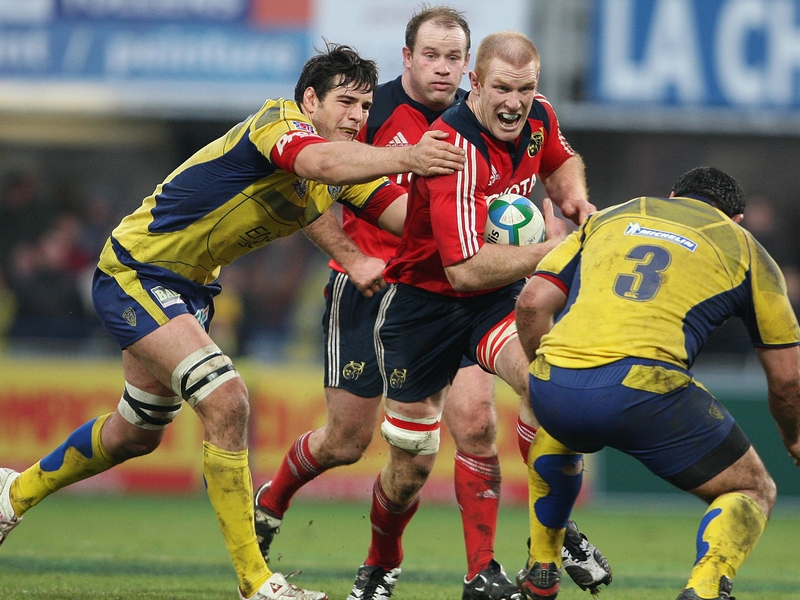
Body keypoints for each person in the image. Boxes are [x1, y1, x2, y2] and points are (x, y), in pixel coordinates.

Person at [0, 43, 466, 600]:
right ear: (310, 100)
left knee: (136, 432)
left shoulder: (348, 163)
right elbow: (318, 165)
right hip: (136, 270)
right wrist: (411, 156)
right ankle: (256, 582)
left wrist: (496, 231)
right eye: (345, 102)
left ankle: (12, 495)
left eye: (366, 106)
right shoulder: (278, 123)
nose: (357, 117)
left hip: (189, 288)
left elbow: (406, 220)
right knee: (228, 400)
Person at [253, 10, 609, 600]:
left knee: (496, 412)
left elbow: (555, 163)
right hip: (379, 286)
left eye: (453, 58)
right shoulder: (378, 116)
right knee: (353, 442)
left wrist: (569, 200)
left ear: (467, 68)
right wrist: (353, 253)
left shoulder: (518, 118)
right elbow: (306, 192)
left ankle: (525, 549)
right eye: (432, 57)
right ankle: (276, 500)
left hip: (477, 289)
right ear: (408, 58)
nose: (442, 68)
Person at [514, 166, 800, 600]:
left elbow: (532, 304)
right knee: (752, 488)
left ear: (672, 196)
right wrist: (794, 438)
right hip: (645, 389)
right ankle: (704, 590)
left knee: (555, 434)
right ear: (735, 219)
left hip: (557, 382)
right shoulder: (747, 248)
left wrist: (544, 373)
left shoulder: (612, 215)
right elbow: (788, 379)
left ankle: (542, 568)